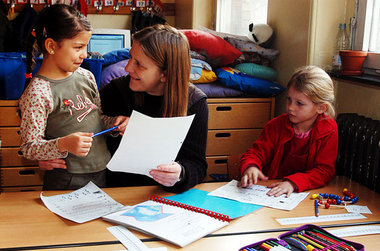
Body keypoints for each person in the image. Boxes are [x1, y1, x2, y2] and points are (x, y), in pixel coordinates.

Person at [19, 4, 128, 190]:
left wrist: (115, 124)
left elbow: (96, 119)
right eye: (78, 47)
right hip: (66, 179)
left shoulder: (87, 77)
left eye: (86, 46)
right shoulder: (38, 92)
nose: (85, 55)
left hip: (102, 171)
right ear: (51, 46)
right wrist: (63, 144)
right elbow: (29, 146)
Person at [100, 24, 209, 193]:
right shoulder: (115, 91)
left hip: (165, 197)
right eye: (130, 58)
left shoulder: (195, 102)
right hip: (116, 193)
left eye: (139, 64)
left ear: (165, 74)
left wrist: (181, 173)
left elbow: (198, 165)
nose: (128, 68)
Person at [239, 65, 338, 197]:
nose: (290, 107)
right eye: (289, 99)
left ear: (321, 108)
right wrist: (251, 166)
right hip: (270, 191)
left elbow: (324, 171)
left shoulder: (329, 129)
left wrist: (293, 183)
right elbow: (256, 153)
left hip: (306, 194)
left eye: (299, 103)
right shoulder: (275, 126)